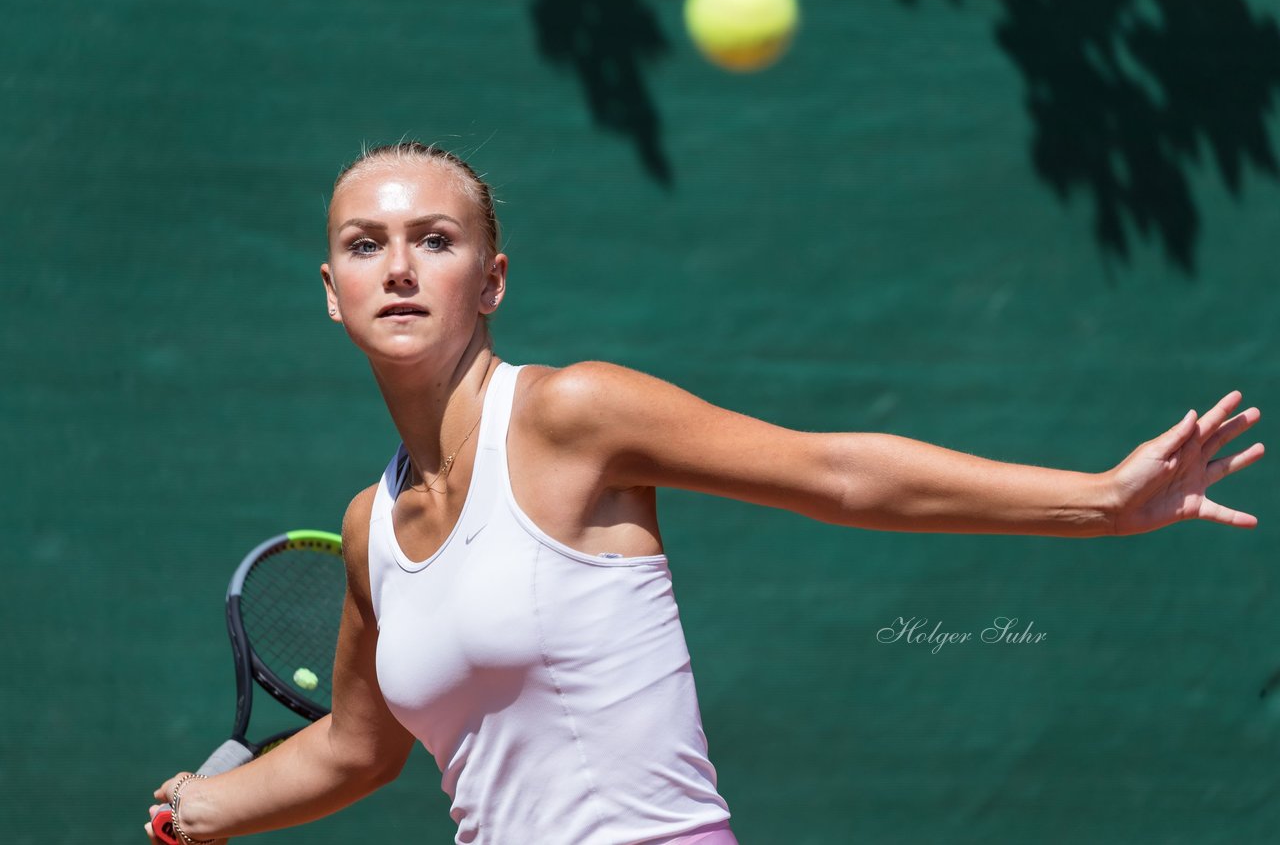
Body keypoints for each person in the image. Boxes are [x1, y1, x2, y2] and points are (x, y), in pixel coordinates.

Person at [146, 141, 1264, 845]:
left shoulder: (569, 413)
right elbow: (357, 744)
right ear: (331, 293)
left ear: (488, 280)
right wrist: (206, 806)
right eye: (365, 243)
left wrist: (1097, 499)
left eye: (433, 240)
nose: (397, 266)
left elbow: (834, 469)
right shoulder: (370, 526)